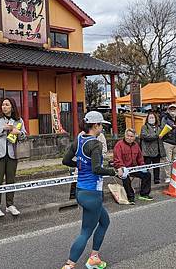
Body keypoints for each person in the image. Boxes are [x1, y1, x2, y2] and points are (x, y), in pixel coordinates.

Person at [61, 111, 124, 269]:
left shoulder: (79, 139)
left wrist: (81, 166)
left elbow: (66, 160)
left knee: (105, 221)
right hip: (92, 193)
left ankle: (94, 257)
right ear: (95, 125)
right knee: (85, 231)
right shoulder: (95, 143)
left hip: (81, 191)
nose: (102, 127)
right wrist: (115, 172)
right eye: (101, 124)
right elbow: (96, 169)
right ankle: (69, 265)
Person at [0, 97, 27, 217]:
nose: (4, 107)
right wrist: (3, 128)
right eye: (3, 105)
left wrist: (18, 133)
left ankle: (10, 205)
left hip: (12, 154)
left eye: (7, 105)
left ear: (12, 107)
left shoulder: (18, 120)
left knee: (11, 180)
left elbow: (24, 135)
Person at [113, 129, 153, 203]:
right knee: (126, 178)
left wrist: (142, 166)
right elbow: (117, 159)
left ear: (134, 137)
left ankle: (144, 194)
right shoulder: (119, 145)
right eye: (128, 136)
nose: (129, 138)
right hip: (121, 169)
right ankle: (130, 197)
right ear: (125, 135)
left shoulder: (136, 145)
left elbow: (140, 158)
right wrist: (122, 168)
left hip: (133, 168)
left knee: (147, 174)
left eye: (131, 136)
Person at [160, 104, 176, 183]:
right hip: (168, 142)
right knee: (167, 160)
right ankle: (168, 176)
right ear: (168, 110)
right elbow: (162, 128)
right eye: (171, 109)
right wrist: (172, 126)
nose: (172, 111)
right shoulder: (165, 118)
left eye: (174, 109)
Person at [140, 112, 167, 184]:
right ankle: (146, 180)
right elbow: (145, 136)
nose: (151, 119)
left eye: (153, 117)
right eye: (150, 117)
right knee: (147, 167)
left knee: (157, 166)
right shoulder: (144, 127)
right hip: (147, 151)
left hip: (157, 150)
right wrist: (157, 135)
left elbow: (163, 136)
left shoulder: (159, 127)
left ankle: (156, 179)